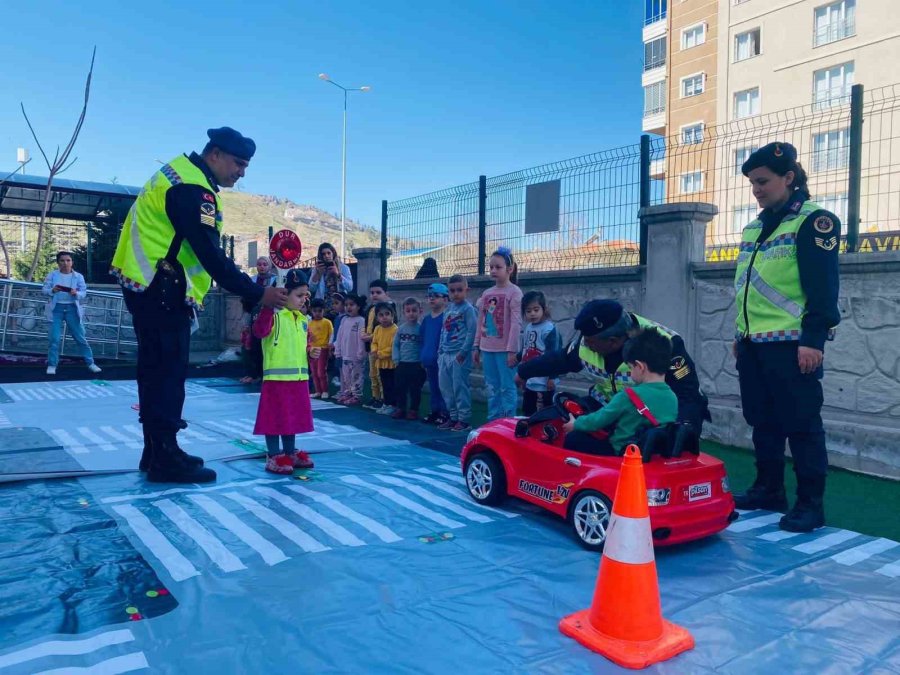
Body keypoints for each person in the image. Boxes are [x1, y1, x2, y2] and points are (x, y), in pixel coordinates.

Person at [110, 127, 287, 483]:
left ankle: (156, 450)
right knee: (167, 374)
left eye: (247, 166)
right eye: (238, 163)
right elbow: (210, 254)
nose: (242, 172)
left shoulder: (177, 174)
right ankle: (165, 458)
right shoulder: (193, 188)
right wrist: (256, 293)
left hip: (147, 284)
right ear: (215, 155)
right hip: (160, 288)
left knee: (155, 370)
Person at [731, 142, 841, 533]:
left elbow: (823, 290)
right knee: (762, 421)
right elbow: (746, 286)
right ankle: (768, 489)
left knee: (802, 425)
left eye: (763, 181)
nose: (756, 189)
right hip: (753, 344)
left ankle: (810, 505)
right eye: (752, 183)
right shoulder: (754, 227)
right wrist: (739, 334)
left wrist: (813, 339)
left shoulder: (815, 221)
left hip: (793, 345)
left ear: (789, 178)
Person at [517, 299, 709, 434]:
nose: (585, 343)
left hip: (649, 417)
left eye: (590, 341)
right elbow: (559, 360)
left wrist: (681, 429)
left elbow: (689, 395)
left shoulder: (665, 345)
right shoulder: (586, 345)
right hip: (609, 408)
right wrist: (523, 372)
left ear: (613, 341)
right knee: (563, 427)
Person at [562, 328, 677, 455]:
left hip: (621, 453)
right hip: (649, 452)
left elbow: (598, 420)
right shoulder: (672, 397)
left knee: (573, 439)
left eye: (630, 368)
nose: (630, 372)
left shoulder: (628, 396)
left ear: (640, 366)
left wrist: (576, 424)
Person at [251, 269, 315, 474]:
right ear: (283, 295)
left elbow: (300, 345)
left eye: (305, 295)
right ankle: (273, 455)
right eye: (299, 295)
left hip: (299, 378)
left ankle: (290, 451)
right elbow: (259, 331)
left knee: (292, 418)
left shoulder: (304, 320)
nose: (303, 300)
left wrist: (310, 351)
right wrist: (269, 307)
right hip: (276, 379)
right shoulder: (273, 316)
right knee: (274, 418)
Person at [473, 247, 523, 420]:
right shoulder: (487, 294)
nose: (493, 270)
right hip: (487, 349)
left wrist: (512, 351)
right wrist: (476, 346)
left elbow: (516, 323)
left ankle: (508, 422)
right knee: (492, 387)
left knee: (507, 387)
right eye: (491, 267)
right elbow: (481, 321)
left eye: (498, 267)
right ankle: (493, 422)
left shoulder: (514, 292)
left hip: (505, 352)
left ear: (509, 269)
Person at [42, 251, 101, 376]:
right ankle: (52, 364)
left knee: (80, 337)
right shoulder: (52, 275)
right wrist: (52, 290)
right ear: (58, 262)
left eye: (68, 260)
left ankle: (91, 363)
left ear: (72, 262)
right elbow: (44, 290)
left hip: (72, 309)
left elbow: (83, 292)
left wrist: (76, 293)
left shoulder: (78, 276)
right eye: (62, 261)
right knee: (54, 339)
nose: (65, 263)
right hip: (56, 309)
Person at [438, 275, 477, 431]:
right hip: (445, 353)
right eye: (452, 291)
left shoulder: (468, 309)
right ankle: (453, 417)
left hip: (459, 354)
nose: (456, 294)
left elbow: (472, 331)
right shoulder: (448, 309)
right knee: (446, 387)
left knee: (459, 387)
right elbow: (443, 330)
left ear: (467, 290)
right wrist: (440, 351)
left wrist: (464, 351)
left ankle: (464, 419)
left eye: (459, 290)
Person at [519, 290, 560, 416]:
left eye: (536, 310)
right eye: (528, 311)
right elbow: (526, 350)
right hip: (531, 378)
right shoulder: (528, 328)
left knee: (546, 410)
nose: (532, 314)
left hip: (545, 379)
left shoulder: (549, 329)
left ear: (544, 309)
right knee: (528, 409)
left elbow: (554, 355)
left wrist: (552, 377)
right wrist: (523, 373)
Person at [239, 256, 277, 384]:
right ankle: (252, 373)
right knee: (250, 345)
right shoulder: (252, 280)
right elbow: (246, 299)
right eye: (259, 264)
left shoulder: (275, 280)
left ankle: (263, 373)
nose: (262, 267)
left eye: (265, 264)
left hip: (268, 315)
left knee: (264, 346)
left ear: (269, 266)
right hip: (253, 314)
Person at [391, 297, 426, 420]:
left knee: (415, 389)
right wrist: (396, 359)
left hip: (416, 364)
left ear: (420, 311)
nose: (411, 313)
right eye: (408, 311)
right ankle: (401, 408)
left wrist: (422, 361)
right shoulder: (400, 328)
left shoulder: (421, 328)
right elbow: (395, 344)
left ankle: (413, 410)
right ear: (404, 312)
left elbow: (424, 345)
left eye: (414, 310)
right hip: (402, 363)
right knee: (400, 387)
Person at [361, 280, 394, 409]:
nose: (374, 295)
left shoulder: (390, 308)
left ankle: (384, 399)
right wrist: (364, 334)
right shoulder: (370, 308)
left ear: (386, 293)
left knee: (381, 377)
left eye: (378, 292)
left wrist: (371, 337)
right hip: (371, 348)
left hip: (383, 350)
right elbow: (366, 324)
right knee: (372, 374)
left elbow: (387, 329)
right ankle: (375, 398)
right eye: (372, 293)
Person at [420, 283, 449, 425]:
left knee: (443, 387)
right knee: (433, 386)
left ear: (445, 299)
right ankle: (435, 411)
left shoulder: (446, 318)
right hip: (429, 359)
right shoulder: (426, 319)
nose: (432, 299)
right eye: (429, 296)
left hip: (441, 360)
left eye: (436, 296)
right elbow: (423, 338)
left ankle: (444, 412)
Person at [334, 294, 366, 405]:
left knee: (356, 376)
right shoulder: (344, 320)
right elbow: (339, 336)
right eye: (346, 305)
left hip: (356, 356)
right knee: (346, 376)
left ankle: (357, 396)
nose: (348, 307)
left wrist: (360, 352)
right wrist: (337, 351)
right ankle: (347, 393)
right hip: (345, 355)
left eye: (352, 305)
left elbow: (361, 338)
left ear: (359, 306)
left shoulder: (361, 320)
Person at [371, 301, 398, 415]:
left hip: (391, 363)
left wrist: (380, 353)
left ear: (393, 315)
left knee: (392, 384)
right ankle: (386, 403)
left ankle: (393, 405)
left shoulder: (395, 329)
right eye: (381, 315)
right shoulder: (377, 329)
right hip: (381, 363)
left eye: (387, 314)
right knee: (384, 383)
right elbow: (374, 342)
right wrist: (374, 350)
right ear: (377, 317)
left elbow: (393, 347)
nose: (384, 317)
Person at [307, 298, 333, 399]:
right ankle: (318, 391)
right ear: (311, 311)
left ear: (324, 310)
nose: (317, 313)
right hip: (312, 349)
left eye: (320, 311)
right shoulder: (309, 323)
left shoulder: (327, 322)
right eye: (315, 311)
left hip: (323, 349)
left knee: (321, 371)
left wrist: (330, 347)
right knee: (314, 372)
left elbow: (331, 335)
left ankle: (325, 391)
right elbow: (307, 336)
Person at [327, 291, 346, 389]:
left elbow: (342, 334)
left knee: (343, 368)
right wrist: (331, 342)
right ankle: (342, 389)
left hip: (342, 346)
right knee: (338, 365)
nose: (334, 305)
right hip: (336, 346)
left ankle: (345, 388)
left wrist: (335, 343)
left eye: (337, 303)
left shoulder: (345, 318)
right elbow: (334, 331)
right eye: (333, 303)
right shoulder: (337, 317)